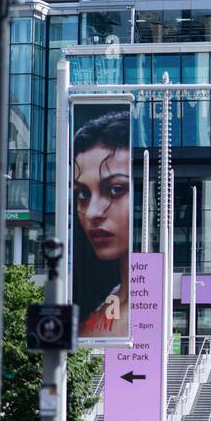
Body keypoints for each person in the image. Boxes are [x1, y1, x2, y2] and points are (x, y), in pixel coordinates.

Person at [73, 110, 132, 339]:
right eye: (83, 194)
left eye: (115, 189)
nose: (93, 213)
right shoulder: (98, 299)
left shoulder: (146, 310)